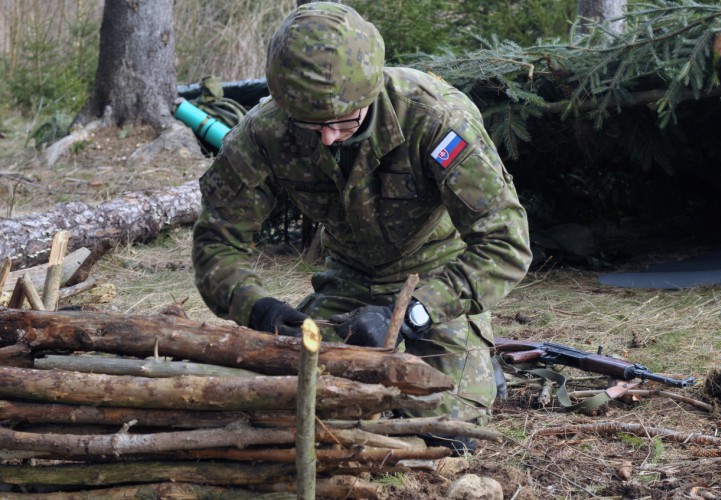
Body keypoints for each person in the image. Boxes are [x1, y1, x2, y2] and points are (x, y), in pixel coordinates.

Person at [192, 2, 532, 454]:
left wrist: (414, 313)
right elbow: (217, 244)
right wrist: (259, 310)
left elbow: (505, 244)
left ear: (369, 93)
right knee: (287, 405)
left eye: (342, 122)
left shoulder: (434, 120)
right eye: (311, 126)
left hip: (435, 279)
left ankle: (474, 353)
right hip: (348, 281)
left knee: (444, 430)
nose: (328, 138)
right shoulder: (264, 133)